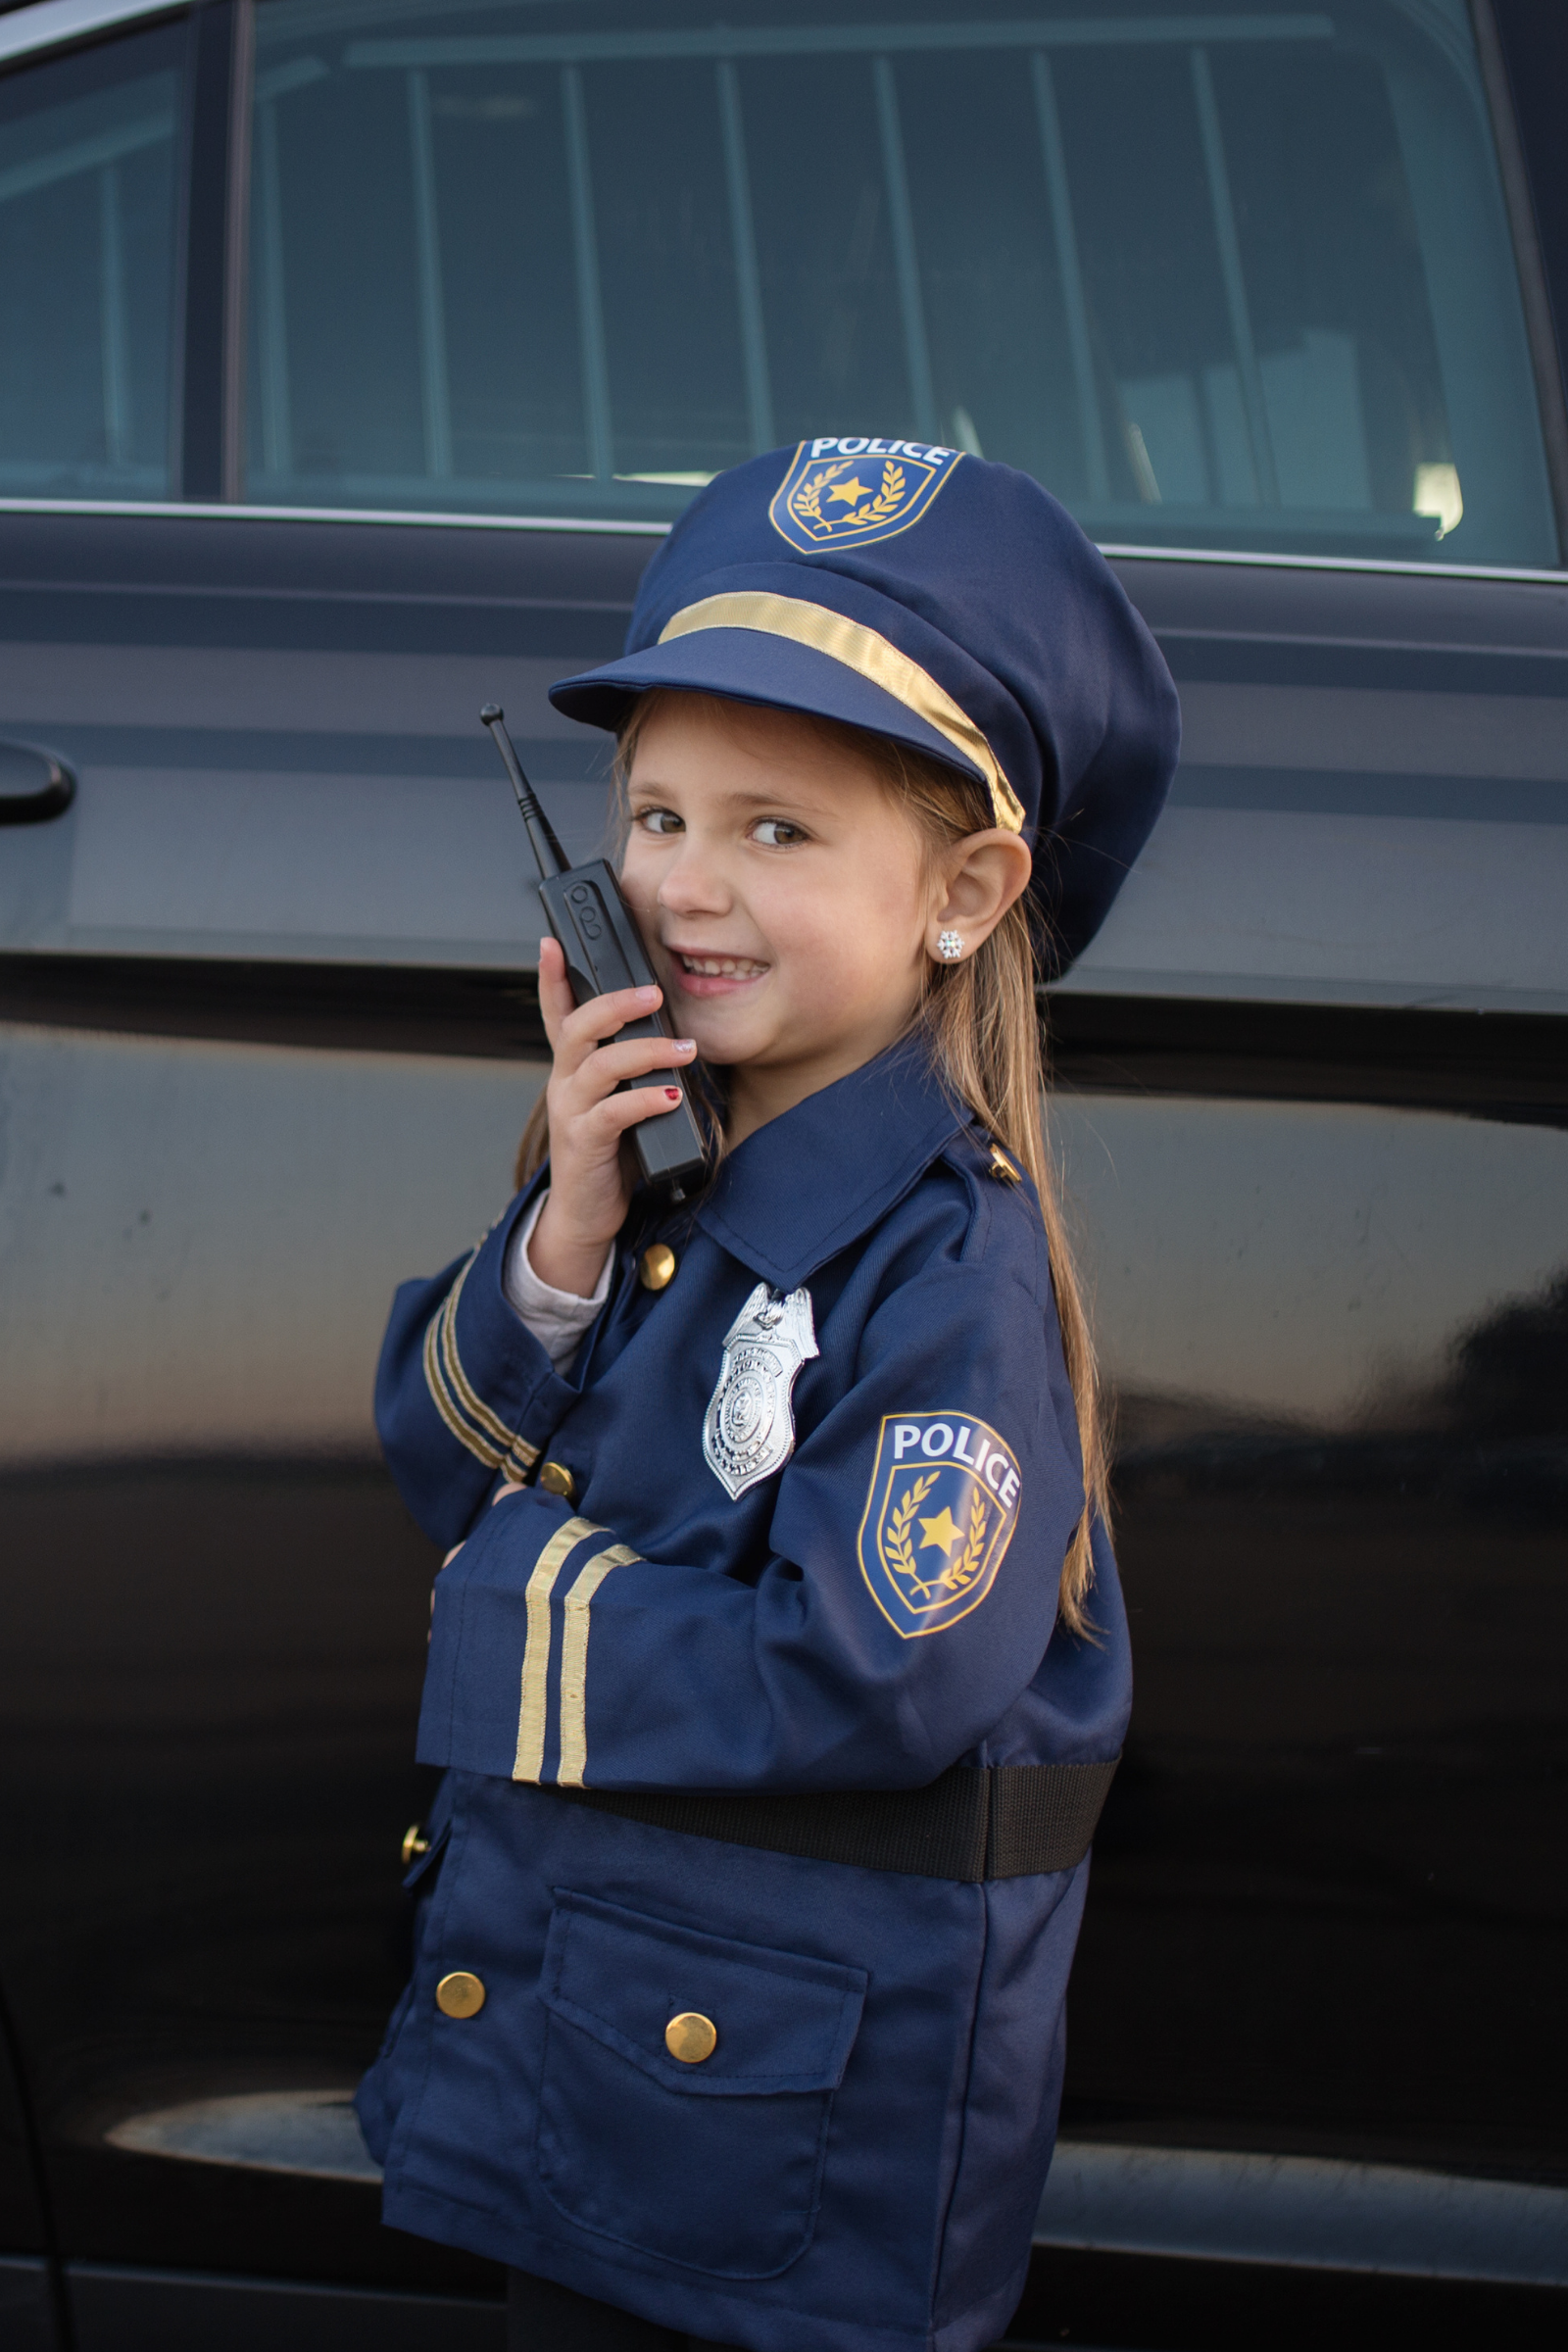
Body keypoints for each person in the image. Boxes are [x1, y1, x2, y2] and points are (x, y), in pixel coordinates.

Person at [357, 438, 1179, 2352]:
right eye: (653, 817)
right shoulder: (658, 1180)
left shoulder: (940, 1268)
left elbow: (870, 1663)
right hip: (588, 2069)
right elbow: (437, 1455)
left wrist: (509, 1628)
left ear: (964, 891)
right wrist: (563, 1214)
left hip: (770, 2176)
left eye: (774, 830)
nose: (686, 885)